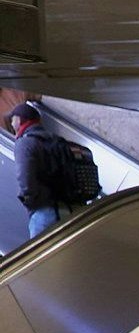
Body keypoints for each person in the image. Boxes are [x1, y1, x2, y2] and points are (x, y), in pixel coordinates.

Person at [8, 100, 101, 247]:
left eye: (12, 120)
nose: (12, 124)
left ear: (19, 120)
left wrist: (31, 203)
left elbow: (25, 179)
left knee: (44, 264)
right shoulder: (59, 142)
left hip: (46, 213)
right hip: (74, 210)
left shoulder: (25, 143)